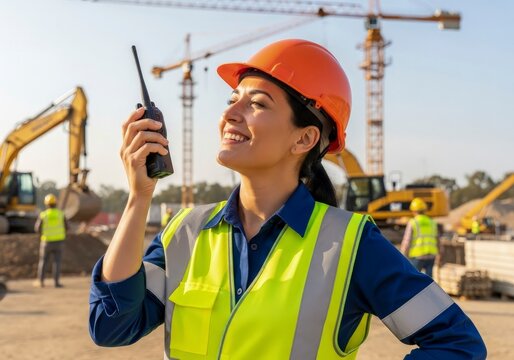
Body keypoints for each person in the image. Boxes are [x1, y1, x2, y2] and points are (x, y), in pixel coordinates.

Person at [89, 39, 486, 359]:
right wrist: (138, 198)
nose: (232, 113)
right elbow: (111, 326)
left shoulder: (349, 246)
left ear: (305, 138)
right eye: (232, 99)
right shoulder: (184, 234)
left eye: (257, 103)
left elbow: (457, 345)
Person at [401, 197, 440, 278]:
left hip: (417, 256)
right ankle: (430, 291)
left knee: (415, 280)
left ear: (413, 210)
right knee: (429, 282)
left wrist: (402, 256)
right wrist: (440, 254)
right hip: (431, 255)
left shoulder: (413, 222)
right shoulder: (432, 222)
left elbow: (406, 241)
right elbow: (438, 240)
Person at [34, 194, 67, 288]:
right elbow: (67, 227)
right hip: (59, 242)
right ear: (56, 203)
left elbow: (37, 228)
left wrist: (43, 234)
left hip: (46, 242)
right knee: (57, 262)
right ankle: (56, 283)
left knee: (43, 261)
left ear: (46, 204)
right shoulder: (61, 214)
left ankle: (40, 281)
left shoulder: (43, 215)